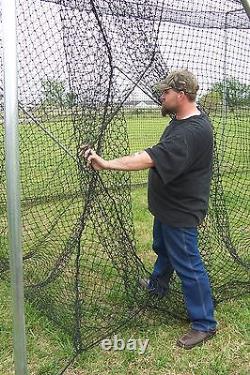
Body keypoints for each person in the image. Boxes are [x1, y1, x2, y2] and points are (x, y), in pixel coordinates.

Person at [79, 69, 217, 350]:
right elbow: (161, 151)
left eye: (165, 93)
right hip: (168, 207)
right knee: (163, 249)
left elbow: (150, 157)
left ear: (181, 95)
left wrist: (106, 164)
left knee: (189, 265)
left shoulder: (192, 131)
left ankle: (204, 324)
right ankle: (158, 286)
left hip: (181, 211)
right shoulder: (181, 121)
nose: (161, 96)